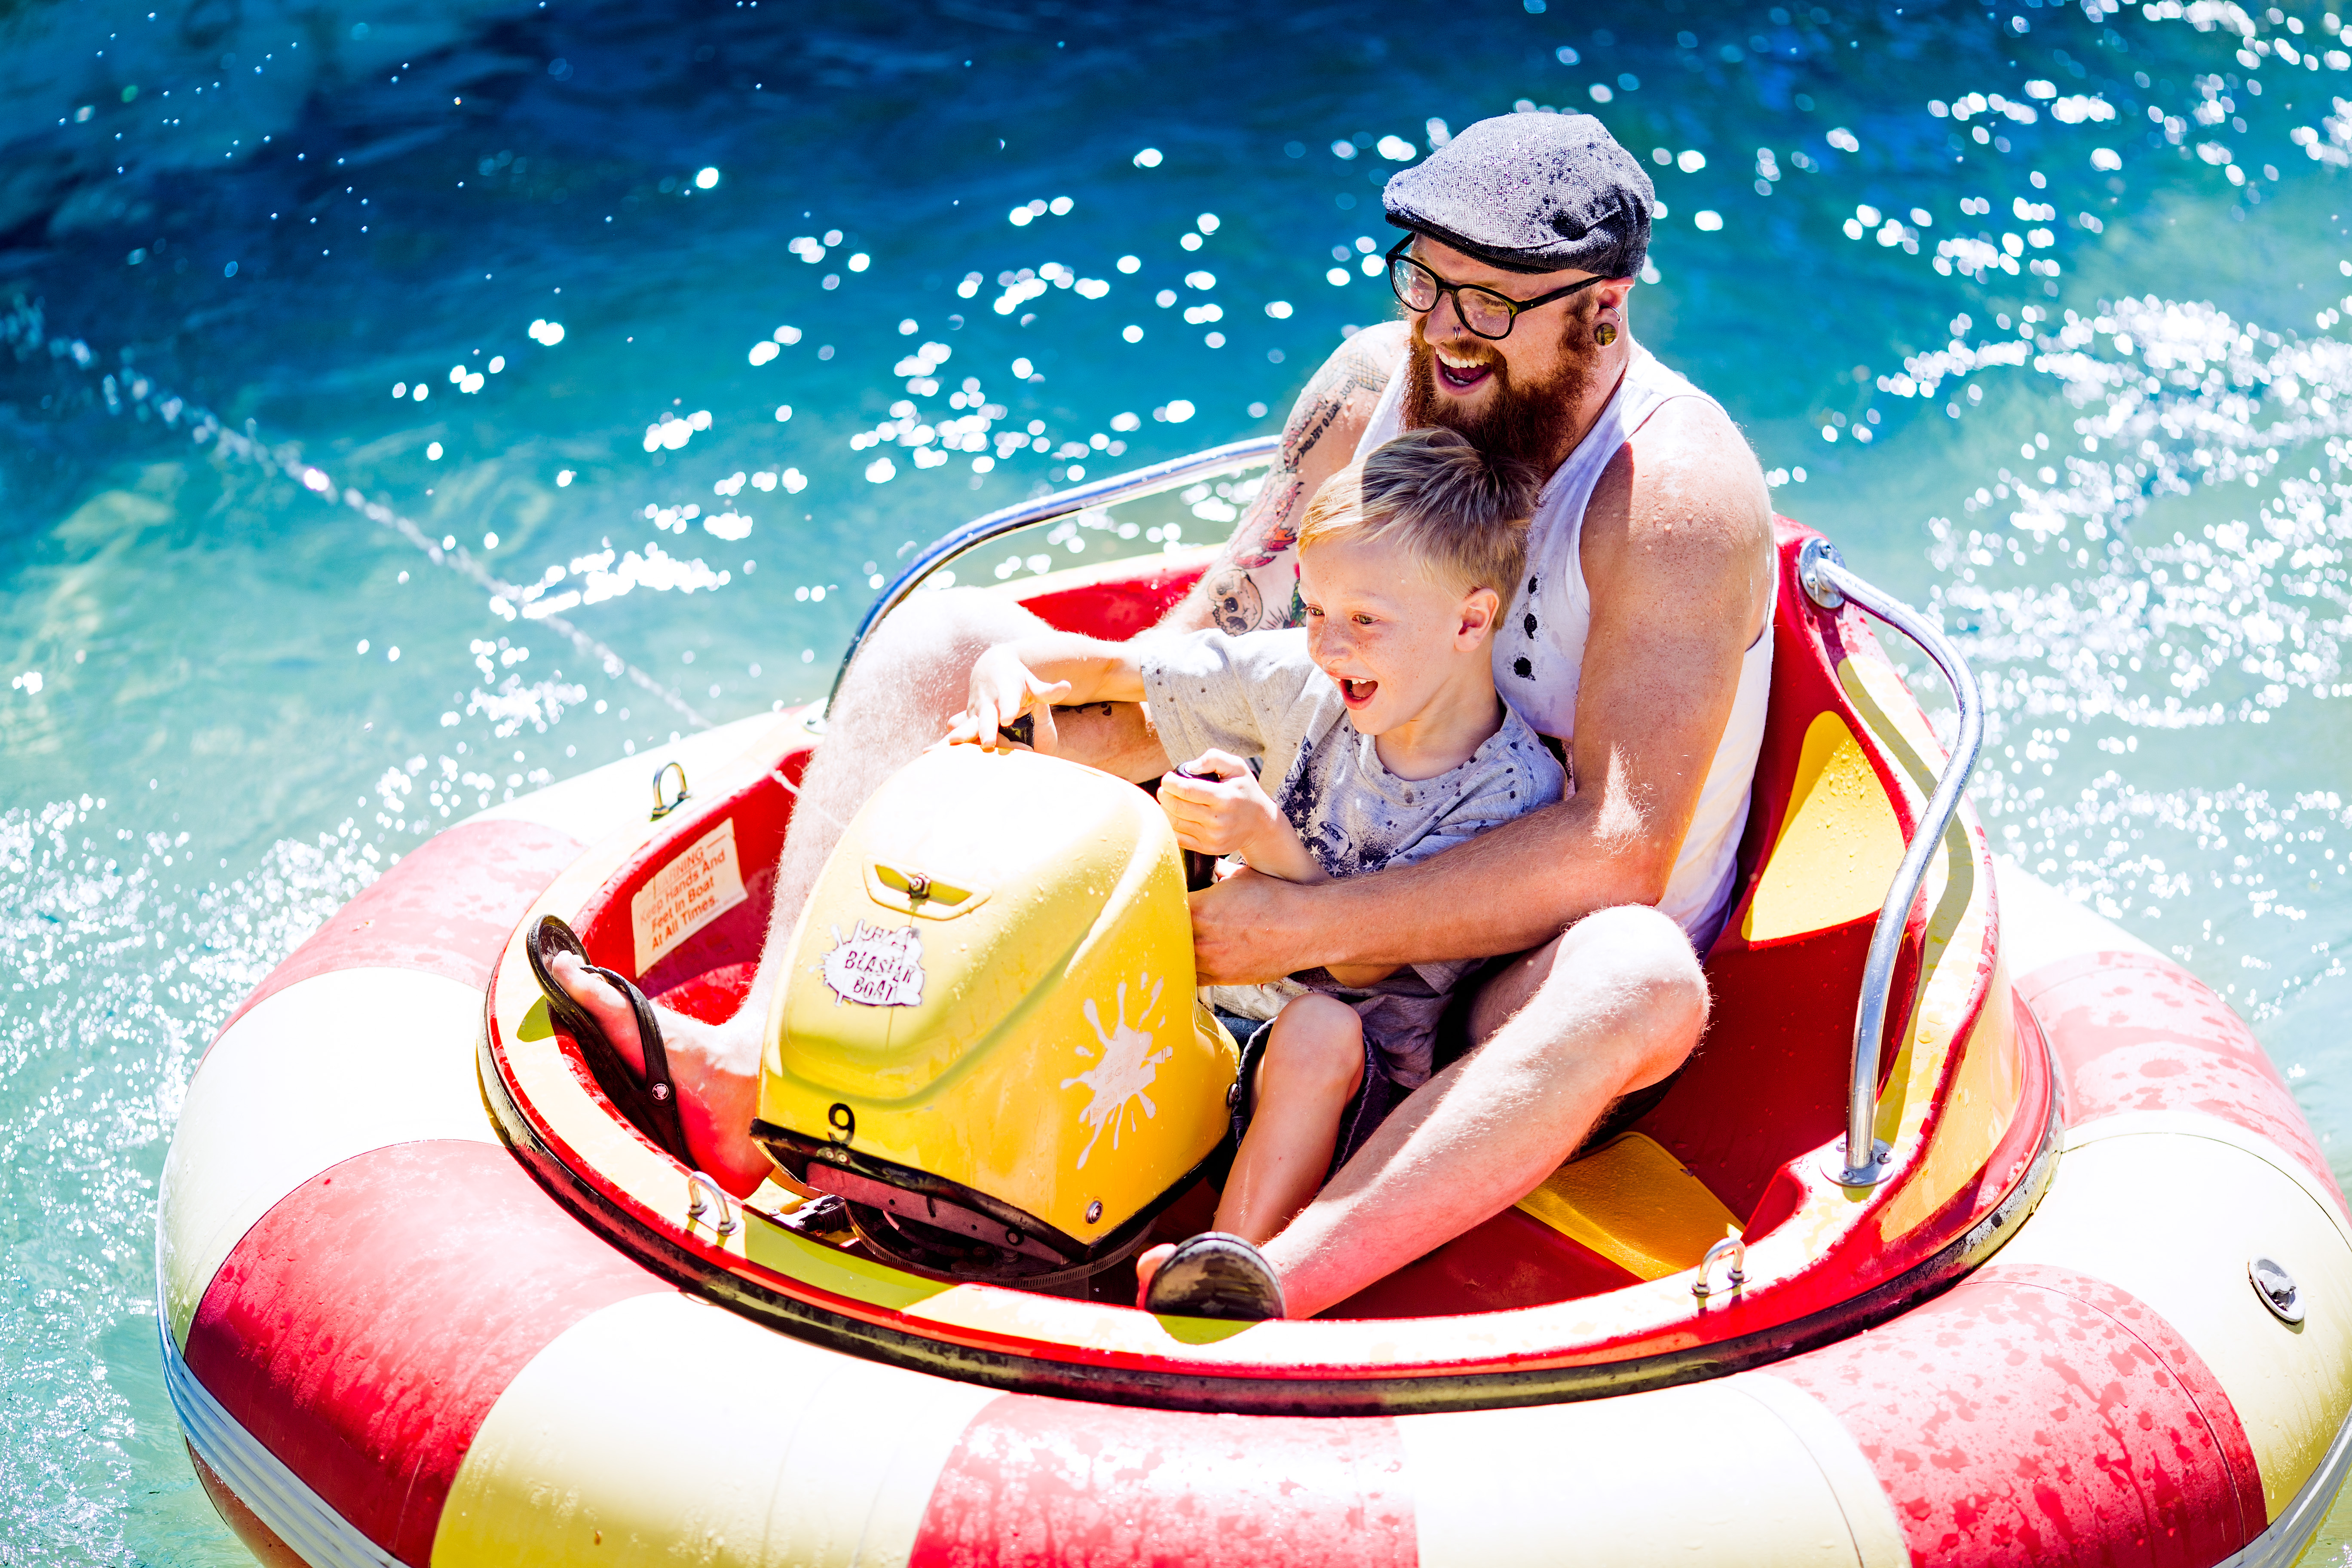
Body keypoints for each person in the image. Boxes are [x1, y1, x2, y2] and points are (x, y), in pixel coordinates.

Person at [538, 110, 1776, 1321]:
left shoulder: (1668, 494)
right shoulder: (1369, 391)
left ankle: (1280, 1279)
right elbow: (1211, 655)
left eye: (1491, 305)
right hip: (1313, 857)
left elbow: (1619, 849)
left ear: (1602, 309)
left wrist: (1302, 924)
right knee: (946, 640)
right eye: (1426, 284)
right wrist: (1040, 716)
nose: (1444, 335)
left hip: (1511, 978)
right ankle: (756, 1070)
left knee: (1641, 976)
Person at [943, 431, 1563, 1316]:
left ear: (1470, 622)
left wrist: (1266, 837)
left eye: (1365, 622)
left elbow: (1360, 966)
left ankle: (1218, 1273)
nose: (1330, 646)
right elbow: (1113, 669)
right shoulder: (1302, 681)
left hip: (1357, 1095)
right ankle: (963, 1195)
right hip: (1222, 1027)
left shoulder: (1511, 794)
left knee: (1320, 1029)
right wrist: (1004, 671)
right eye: (1315, 613)